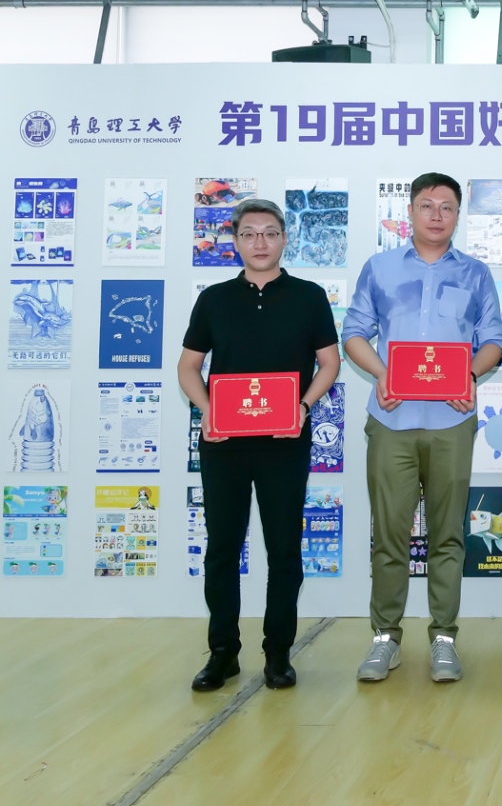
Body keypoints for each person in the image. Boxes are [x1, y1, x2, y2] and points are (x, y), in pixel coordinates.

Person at [343, 172, 502, 684]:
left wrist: (470, 375)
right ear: (410, 211)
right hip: (391, 419)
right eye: (427, 205)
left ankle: (444, 638)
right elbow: (354, 332)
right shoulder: (380, 268)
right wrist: (382, 373)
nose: (437, 215)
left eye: (447, 207)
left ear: (458, 215)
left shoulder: (476, 273)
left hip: (451, 421)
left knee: (448, 534)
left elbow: (494, 338)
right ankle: (385, 638)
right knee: (388, 534)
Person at [178, 198, 340, 692]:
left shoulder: (309, 296)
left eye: (270, 232)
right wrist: (208, 410)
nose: (260, 242)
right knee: (222, 550)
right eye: (249, 233)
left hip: (285, 442)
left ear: (285, 238)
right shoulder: (214, 299)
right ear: (235, 241)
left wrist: (303, 406)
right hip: (224, 442)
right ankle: (222, 653)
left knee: (284, 551)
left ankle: (278, 654)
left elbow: (329, 363)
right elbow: (188, 367)